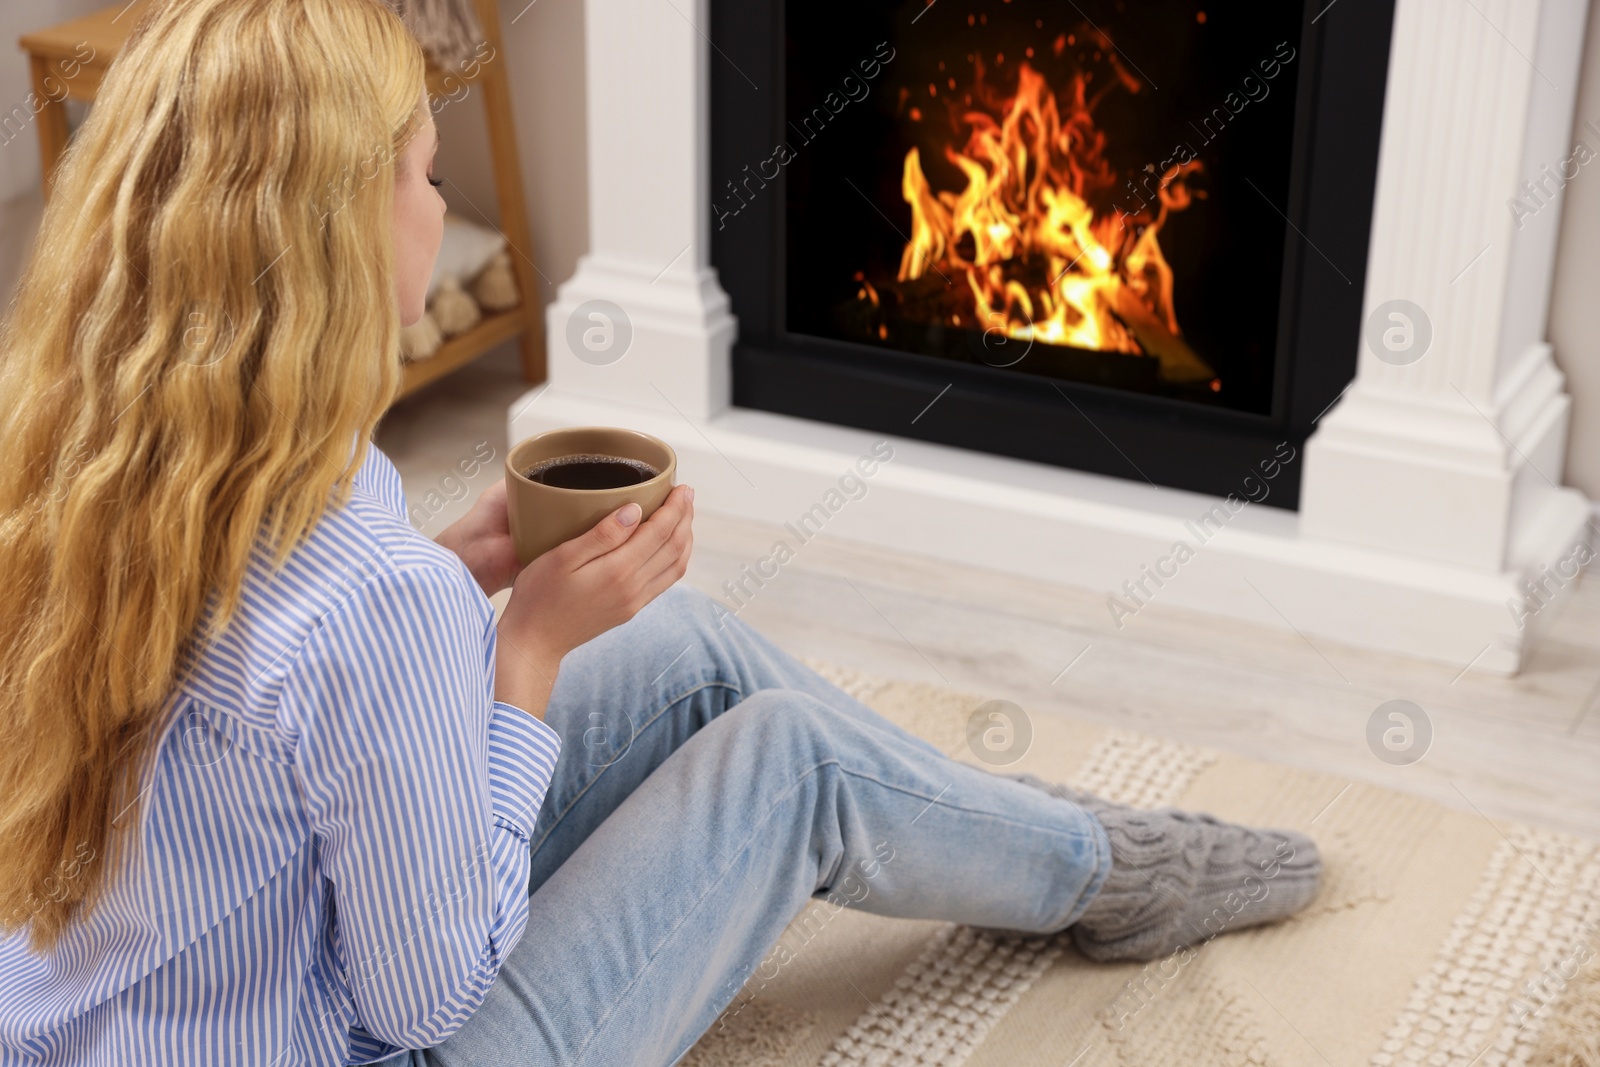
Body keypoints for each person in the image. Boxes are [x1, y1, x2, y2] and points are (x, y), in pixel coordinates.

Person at [0, 2, 1323, 1064]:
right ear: (338, 238)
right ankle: (1106, 868)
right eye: (425, 170)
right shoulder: (360, 583)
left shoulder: (81, 455)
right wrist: (520, 660)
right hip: (359, 1039)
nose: (433, 202)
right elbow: (424, 996)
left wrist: (453, 584)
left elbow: (283, 732)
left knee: (686, 644)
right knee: (789, 762)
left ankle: (1036, 834)